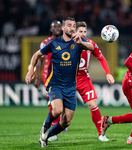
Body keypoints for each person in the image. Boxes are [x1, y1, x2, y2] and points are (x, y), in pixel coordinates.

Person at [25, 17, 94, 147]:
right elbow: (36, 55)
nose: (72, 28)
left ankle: (46, 136)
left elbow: (92, 48)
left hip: (70, 87)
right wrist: (31, 71)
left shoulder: (79, 43)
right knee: (57, 110)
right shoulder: (54, 43)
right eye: (69, 25)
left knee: (66, 122)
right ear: (63, 28)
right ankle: (45, 126)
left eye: (74, 26)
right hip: (55, 84)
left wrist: (82, 42)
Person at [46, 21, 115, 142]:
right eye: (80, 32)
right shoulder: (66, 44)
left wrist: (108, 73)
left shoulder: (90, 44)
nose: (83, 34)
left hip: (83, 78)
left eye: (84, 32)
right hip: (67, 78)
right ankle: (53, 133)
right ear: (74, 32)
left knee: (93, 105)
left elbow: (100, 57)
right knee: (57, 107)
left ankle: (101, 133)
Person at [33, 20, 67, 142]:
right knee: (53, 102)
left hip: (63, 76)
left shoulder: (65, 41)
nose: (57, 28)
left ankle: (60, 123)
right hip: (49, 76)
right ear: (51, 29)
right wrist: (37, 77)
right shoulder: (45, 43)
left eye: (59, 26)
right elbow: (39, 60)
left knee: (62, 101)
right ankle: (53, 128)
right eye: (55, 27)